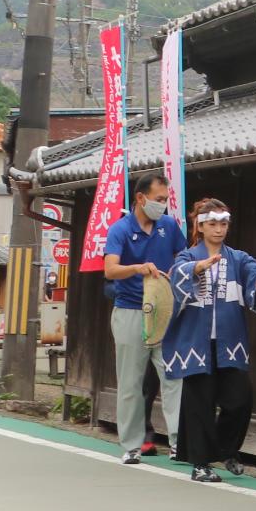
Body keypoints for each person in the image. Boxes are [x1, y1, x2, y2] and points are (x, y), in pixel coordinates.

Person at [164, 198, 256, 484]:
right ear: (200, 226)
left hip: (229, 342)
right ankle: (200, 463)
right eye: (212, 223)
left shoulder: (237, 258)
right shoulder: (187, 257)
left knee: (240, 399)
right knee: (199, 404)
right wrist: (198, 268)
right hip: (195, 343)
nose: (219, 229)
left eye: (223, 223)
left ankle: (227, 450)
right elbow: (176, 277)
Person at [102, 172, 187, 464]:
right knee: (130, 381)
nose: (163, 205)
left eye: (165, 200)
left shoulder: (169, 226)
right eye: (159, 199)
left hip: (164, 311)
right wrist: (137, 268)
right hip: (129, 310)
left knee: (174, 377)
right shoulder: (120, 229)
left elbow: (183, 258)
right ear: (140, 198)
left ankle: (180, 443)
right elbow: (110, 270)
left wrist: (179, 276)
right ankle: (131, 445)